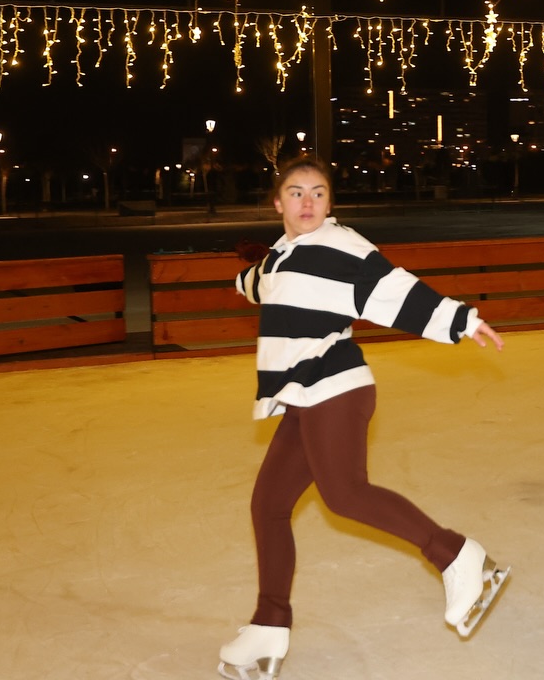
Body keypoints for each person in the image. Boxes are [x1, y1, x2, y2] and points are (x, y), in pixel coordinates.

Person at [218, 156, 510, 680]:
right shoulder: (280, 257)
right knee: (269, 505)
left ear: (330, 203)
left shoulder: (340, 247)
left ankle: (458, 555)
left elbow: (393, 288)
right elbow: (262, 282)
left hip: (336, 390)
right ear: (278, 202)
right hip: (304, 397)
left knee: (346, 494)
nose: (308, 202)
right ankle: (269, 624)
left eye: (318, 193)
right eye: (296, 192)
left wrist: (462, 319)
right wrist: (243, 277)